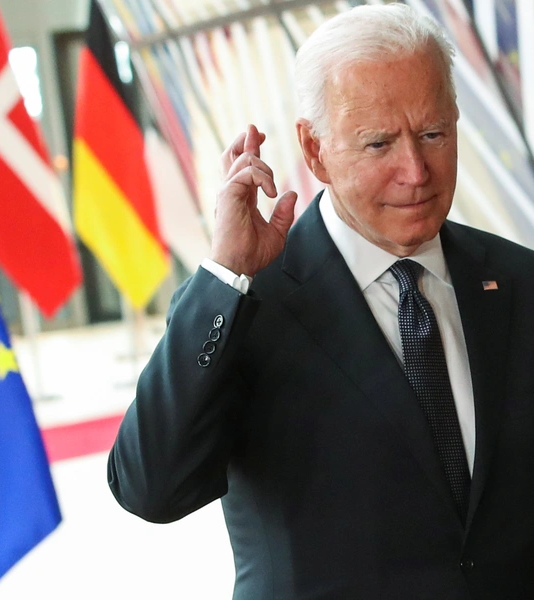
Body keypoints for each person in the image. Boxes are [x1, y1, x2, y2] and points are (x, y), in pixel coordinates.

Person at [108, 4, 534, 598]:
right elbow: (151, 490)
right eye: (379, 143)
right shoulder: (245, 303)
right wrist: (225, 276)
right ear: (314, 150)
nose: (415, 170)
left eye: (434, 133)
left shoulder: (518, 281)